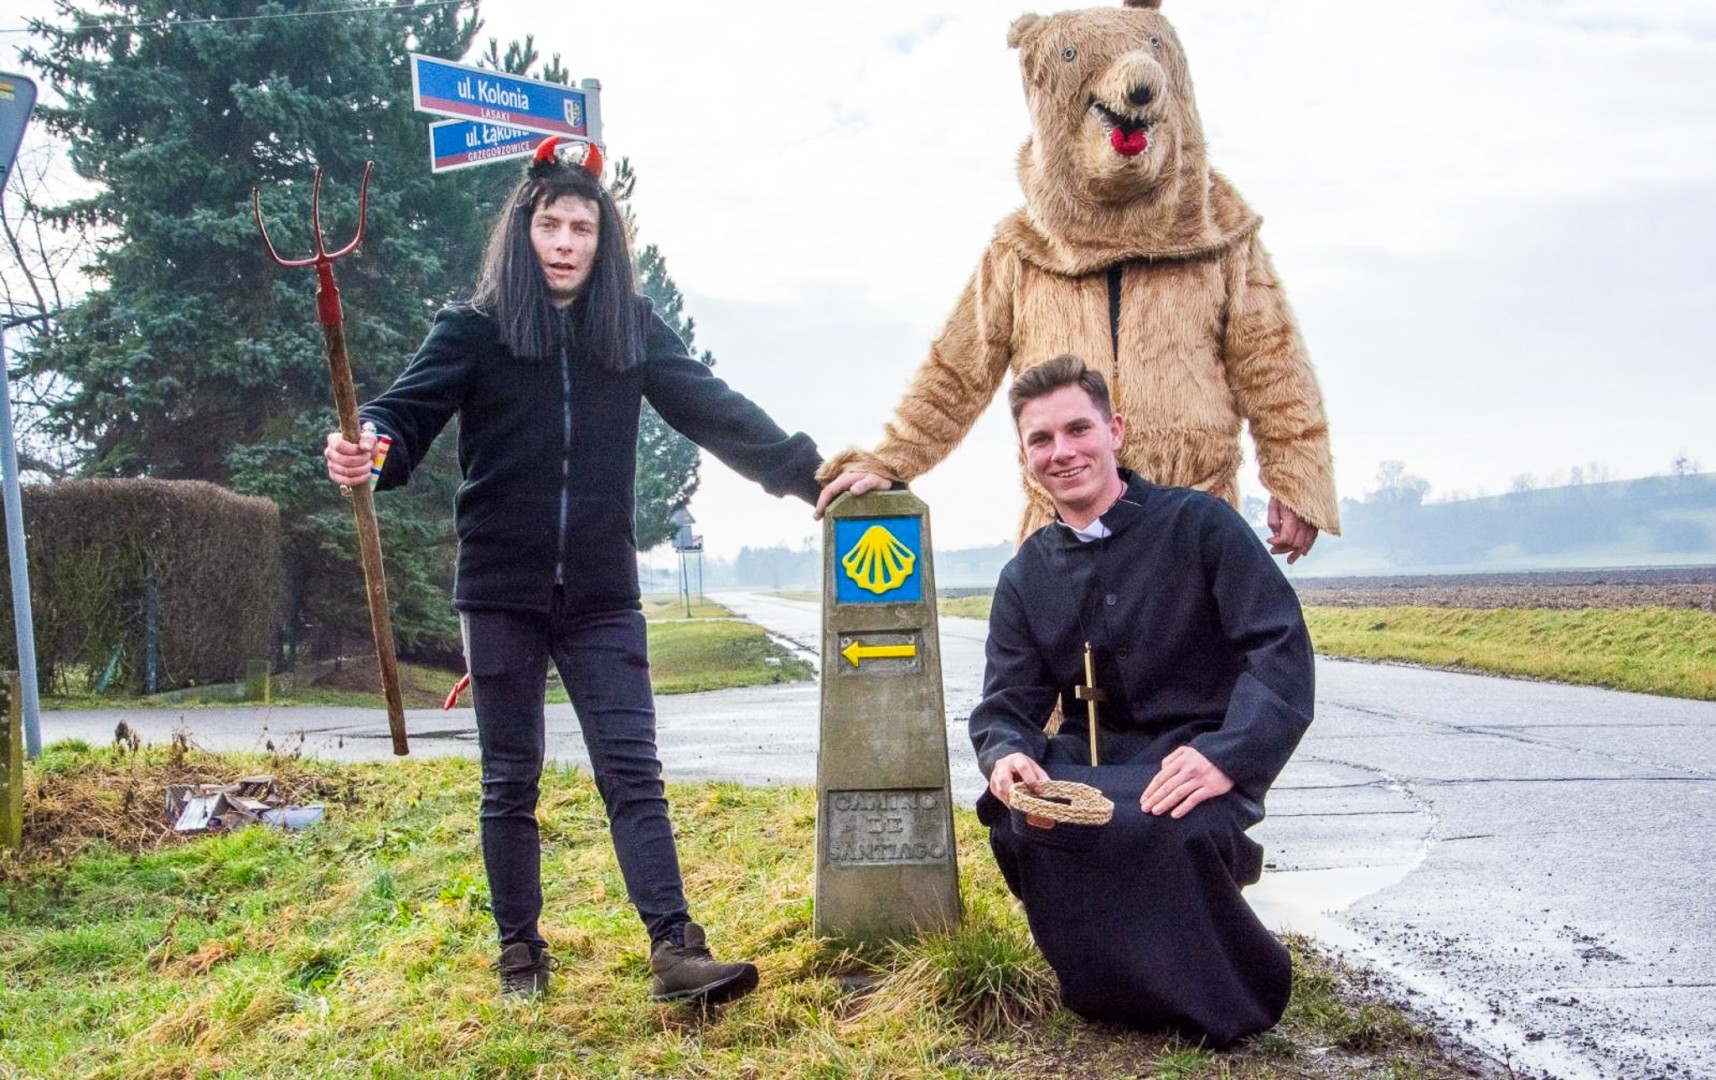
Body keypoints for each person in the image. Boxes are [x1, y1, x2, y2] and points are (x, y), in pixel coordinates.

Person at [322, 139, 821, 1005]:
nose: (563, 241)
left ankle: (676, 949)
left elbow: (715, 409)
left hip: (599, 594)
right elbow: (404, 414)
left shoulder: (627, 328)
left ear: (602, 239)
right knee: (508, 780)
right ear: (524, 232)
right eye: (549, 224)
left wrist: (811, 474)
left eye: (580, 227)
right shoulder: (473, 327)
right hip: (500, 591)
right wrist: (370, 441)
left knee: (633, 774)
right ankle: (520, 952)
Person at [968, 353, 1314, 1046]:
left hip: (1194, 759)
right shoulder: (1025, 575)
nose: (1062, 452)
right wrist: (1006, 757)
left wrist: (1227, 756)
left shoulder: (1202, 527)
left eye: (1077, 430)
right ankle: (1106, 987)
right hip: (1092, 764)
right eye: (1042, 440)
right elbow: (1007, 702)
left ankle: (1229, 995)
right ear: (1025, 456)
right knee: (1022, 816)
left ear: (1114, 431)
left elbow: (1279, 651)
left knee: (1169, 826)